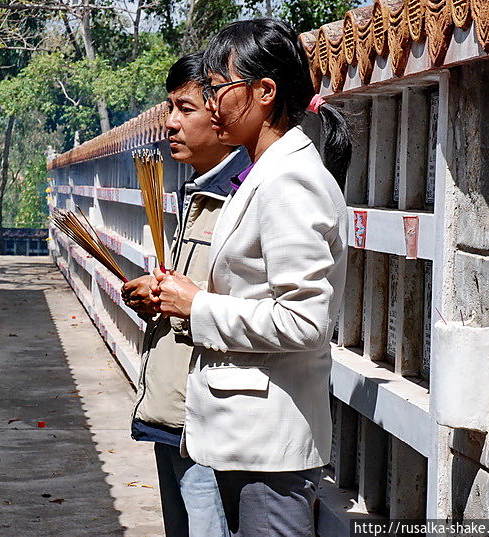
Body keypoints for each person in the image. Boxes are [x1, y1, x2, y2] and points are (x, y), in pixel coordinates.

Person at [150, 19, 352, 537]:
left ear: (265, 93)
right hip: (247, 437)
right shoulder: (267, 173)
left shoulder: (289, 181)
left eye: (219, 89)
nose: (210, 104)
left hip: (269, 447)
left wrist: (196, 306)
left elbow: (305, 320)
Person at [121, 52, 250, 537]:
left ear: (223, 115)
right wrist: (158, 295)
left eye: (186, 109)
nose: (171, 123)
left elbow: (253, 311)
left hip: (204, 421)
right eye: (168, 108)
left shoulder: (243, 199)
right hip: (170, 408)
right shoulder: (197, 192)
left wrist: (187, 303)